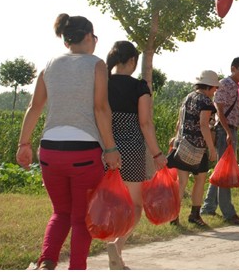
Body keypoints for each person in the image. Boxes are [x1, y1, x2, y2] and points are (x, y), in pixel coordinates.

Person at [16, 14, 121, 270]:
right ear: (89, 37)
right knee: (80, 218)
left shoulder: (49, 65)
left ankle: (46, 262)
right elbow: (100, 108)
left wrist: (23, 144)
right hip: (83, 152)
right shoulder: (96, 65)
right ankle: (76, 267)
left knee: (60, 212)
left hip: (50, 151)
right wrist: (110, 148)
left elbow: (34, 107)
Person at [104, 41, 167, 270]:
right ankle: (117, 245)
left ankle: (116, 253)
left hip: (106, 149)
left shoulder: (103, 83)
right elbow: (145, 123)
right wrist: (157, 154)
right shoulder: (139, 87)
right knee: (135, 206)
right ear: (132, 61)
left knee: (109, 202)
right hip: (132, 151)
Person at [201, 58, 239, 225]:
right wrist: (228, 132)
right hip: (225, 131)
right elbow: (220, 110)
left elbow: (233, 115)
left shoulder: (234, 87)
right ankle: (228, 213)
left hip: (230, 129)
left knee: (221, 170)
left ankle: (208, 207)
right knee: (226, 172)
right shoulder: (225, 84)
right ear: (233, 69)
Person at [167, 70, 219, 227]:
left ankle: (174, 215)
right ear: (209, 86)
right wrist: (211, 148)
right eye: (215, 88)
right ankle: (194, 215)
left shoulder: (188, 97)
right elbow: (204, 125)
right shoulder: (206, 102)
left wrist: (175, 137)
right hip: (197, 147)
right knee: (200, 179)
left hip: (182, 144)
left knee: (181, 182)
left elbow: (180, 121)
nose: (215, 91)